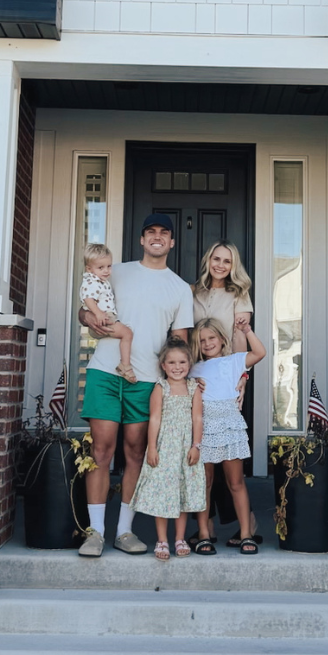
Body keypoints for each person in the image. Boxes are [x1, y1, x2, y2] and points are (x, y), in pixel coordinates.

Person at [77, 214, 194, 557]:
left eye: (164, 233)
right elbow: (86, 307)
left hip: (146, 381)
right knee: (101, 450)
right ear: (142, 240)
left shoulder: (179, 288)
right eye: (150, 232)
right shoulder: (118, 271)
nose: (157, 237)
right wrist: (87, 319)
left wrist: (178, 382)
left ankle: (123, 531)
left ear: (172, 242)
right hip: (105, 372)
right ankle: (95, 532)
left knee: (135, 453)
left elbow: (180, 341)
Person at [190, 317, 266, 555]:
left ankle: (245, 533)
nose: (207, 343)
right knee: (205, 483)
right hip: (205, 425)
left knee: (236, 482)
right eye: (202, 340)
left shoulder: (235, 361)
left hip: (230, 425)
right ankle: (204, 533)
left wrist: (247, 330)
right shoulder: (194, 369)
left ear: (222, 340)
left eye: (212, 338)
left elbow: (260, 352)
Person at [131, 341, 206, 560]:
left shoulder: (193, 388)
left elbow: (198, 418)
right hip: (164, 447)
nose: (177, 366)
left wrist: (196, 445)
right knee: (163, 495)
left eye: (182, 362)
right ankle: (162, 540)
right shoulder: (160, 388)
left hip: (185, 449)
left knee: (182, 492)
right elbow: (154, 419)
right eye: (171, 362)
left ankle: (179, 538)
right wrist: (152, 447)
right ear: (163, 365)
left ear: (189, 364)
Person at [79, 242, 136, 382]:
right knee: (127, 333)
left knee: (125, 333)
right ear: (89, 269)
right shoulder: (91, 281)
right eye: (101, 267)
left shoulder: (101, 281)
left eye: (109, 266)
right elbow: (88, 298)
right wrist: (97, 313)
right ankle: (125, 365)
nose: (106, 271)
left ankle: (125, 364)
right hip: (104, 318)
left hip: (105, 316)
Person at [192, 242, 253, 353]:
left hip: (224, 364)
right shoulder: (195, 292)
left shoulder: (239, 294)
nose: (220, 265)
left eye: (227, 261)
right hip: (195, 365)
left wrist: (237, 368)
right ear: (209, 260)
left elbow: (239, 335)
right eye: (216, 259)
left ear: (233, 266)